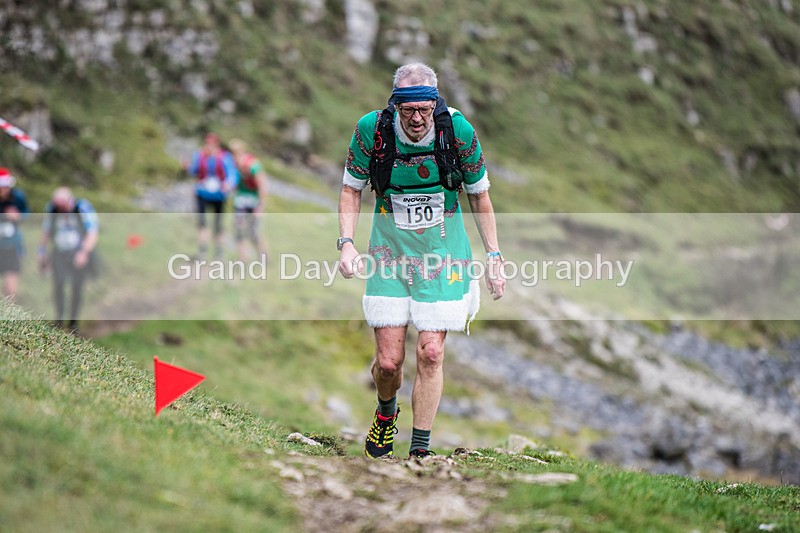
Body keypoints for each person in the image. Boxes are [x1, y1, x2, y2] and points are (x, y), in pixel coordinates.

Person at [337, 63, 506, 459]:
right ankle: (385, 413)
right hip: (389, 251)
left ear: (435, 104)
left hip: (443, 251)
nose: (416, 119)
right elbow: (351, 189)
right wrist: (346, 243)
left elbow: (480, 197)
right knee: (389, 362)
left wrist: (494, 255)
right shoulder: (372, 130)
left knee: (431, 352)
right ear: (395, 105)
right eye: (408, 110)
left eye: (424, 111)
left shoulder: (458, 131)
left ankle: (420, 450)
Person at [39, 187, 99, 334]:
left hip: (78, 251)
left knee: (76, 288)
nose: (61, 209)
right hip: (59, 252)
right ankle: (58, 319)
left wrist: (84, 252)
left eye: (62, 206)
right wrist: (42, 252)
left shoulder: (82, 207)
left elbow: (92, 231)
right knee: (58, 284)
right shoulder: (52, 209)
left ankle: (73, 323)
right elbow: (46, 231)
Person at [186, 132, 238, 260]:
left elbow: (232, 174)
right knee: (202, 223)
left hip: (219, 195)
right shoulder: (199, 155)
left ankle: (219, 253)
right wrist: (187, 167)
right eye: (207, 144)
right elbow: (194, 170)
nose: (209, 147)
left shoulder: (225, 157)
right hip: (202, 193)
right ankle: (202, 252)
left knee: (218, 224)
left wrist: (229, 184)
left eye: (211, 144)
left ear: (216, 145)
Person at [228, 138, 269, 261]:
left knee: (254, 233)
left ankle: (264, 258)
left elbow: (263, 186)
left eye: (236, 151)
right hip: (240, 202)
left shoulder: (253, 164)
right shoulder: (233, 165)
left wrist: (260, 207)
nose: (234, 154)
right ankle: (243, 260)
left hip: (254, 202)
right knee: (239, 231)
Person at [0, 167, 29, 299]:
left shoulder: (17, 197)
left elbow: (26, 214)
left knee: (10, 287)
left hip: (12, 245)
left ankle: (10, 311)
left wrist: (17, 216)